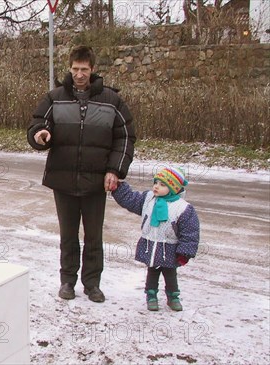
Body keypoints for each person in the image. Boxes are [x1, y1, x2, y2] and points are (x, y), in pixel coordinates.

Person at [27, 45, 136, 303]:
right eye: (75, 69)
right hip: (63, 179)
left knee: (94, 236)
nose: (79, 74)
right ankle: (67, 281)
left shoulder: (112, 101)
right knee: (68, 235)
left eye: (84, 69)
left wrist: (115, 170)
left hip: (96, 181)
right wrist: (40, 135)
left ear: (93, 69)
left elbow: (125, 136)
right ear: (70, 68)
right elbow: (36, 124)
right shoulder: (54, 97)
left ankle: (92, 284)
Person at [111, 166, 200, 311]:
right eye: (156, 182)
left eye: (162, 184)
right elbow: (131, 200)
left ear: (174, 189)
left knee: (170, 274)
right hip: (151, 245)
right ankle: (151, 296)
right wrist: (118, 189)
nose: (156, 187)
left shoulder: (183, 208)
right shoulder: (148, 199)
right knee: (152, 272)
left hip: (169, 248)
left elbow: (190, 232)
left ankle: (173, 297)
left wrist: (185, 252)